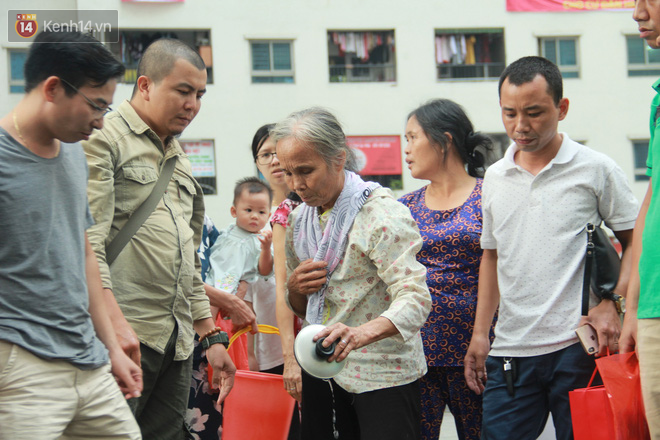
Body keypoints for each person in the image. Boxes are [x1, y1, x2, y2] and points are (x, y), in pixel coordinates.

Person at [463, 56, 638, 440]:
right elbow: (491, 257)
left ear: (562, 108)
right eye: (509, 113)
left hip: (580, 348)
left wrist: (612, 302)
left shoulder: (595, 168)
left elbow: (635, 241)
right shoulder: (494, 178)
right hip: (511, 349)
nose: (520, 126)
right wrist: (480, 335)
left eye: (534, 113)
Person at [83, 38, 235, 440]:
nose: (193, 105)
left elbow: (187, 255)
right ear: (146, 85)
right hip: (124, 334)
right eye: (183, 91)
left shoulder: (179, 155)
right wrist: (113, 327)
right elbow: (88, 242)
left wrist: (211, 335)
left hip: (177, 342)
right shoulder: (104, 137)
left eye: (200, 94)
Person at [0, 31, 142, 440]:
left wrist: (112, 348)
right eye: (96, 105)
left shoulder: (74, 152)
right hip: (22, 366)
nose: (101, 121)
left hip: (87, 358)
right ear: (52, 88)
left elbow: (82, 255)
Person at [273, 107, 432, 440]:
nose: (297, 184)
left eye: (306, 170)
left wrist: (360, 334)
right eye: (288, 173)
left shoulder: (381, 215)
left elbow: (415, 298)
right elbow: (303, 307)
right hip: (322, 368)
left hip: (383, 374)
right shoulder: (300, 221)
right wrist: (295, 287)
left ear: (338, 159)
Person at [398, 99, 494, 440]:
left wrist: (481, 337)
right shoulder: (403, 207)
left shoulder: (490, 194)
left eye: (412, 138)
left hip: (478, 350)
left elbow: (497, 265)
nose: (406, 149)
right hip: (416, 352)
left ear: (445, 140)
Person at [621, 1, 660, 436]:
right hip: (653, 306)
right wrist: (632, 308)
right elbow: (652, 198)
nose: (638, 13)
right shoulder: (659, 99)